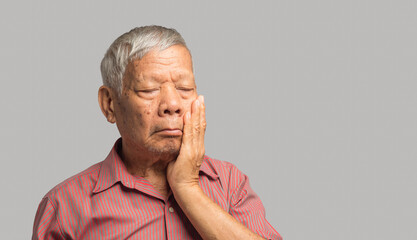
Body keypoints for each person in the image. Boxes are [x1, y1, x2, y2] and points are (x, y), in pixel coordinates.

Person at [32, 25, 282, 240]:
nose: (172, 104)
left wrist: (188, 188)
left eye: (185, 88)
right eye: (149, 90)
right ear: (109, 104)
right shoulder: (65, 204)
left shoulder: (229, 183)